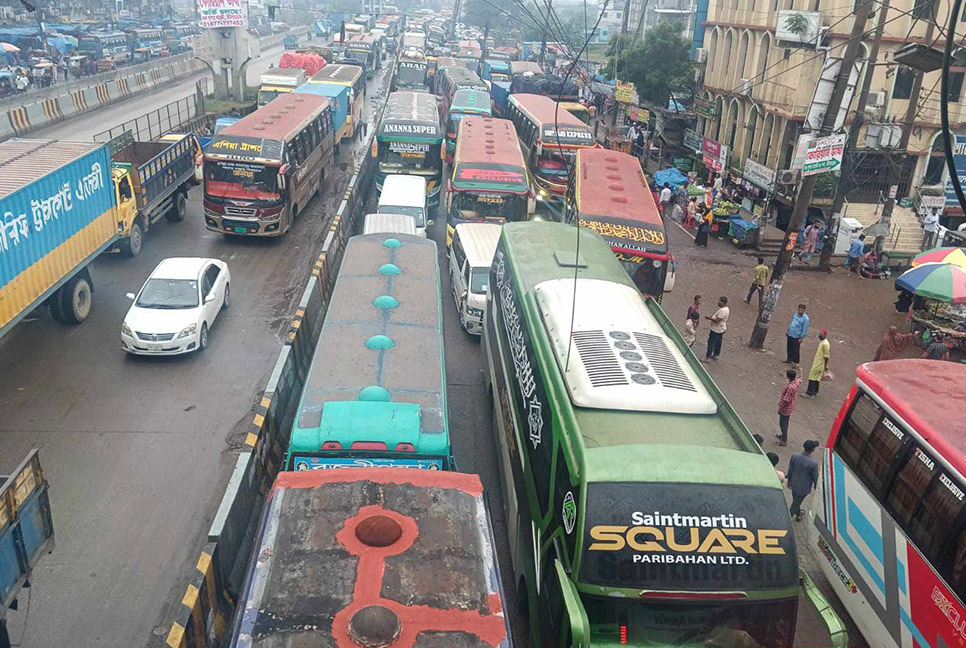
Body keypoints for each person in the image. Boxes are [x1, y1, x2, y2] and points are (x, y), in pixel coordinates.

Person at [786, 440, 820, 521]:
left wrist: (789, 480)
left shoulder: (795, 456)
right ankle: (786, 520)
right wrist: (816, 486)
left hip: (794, 483)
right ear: (812, 450)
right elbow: (814, 476)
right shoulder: (813, 463)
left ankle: (798, 514)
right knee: (795, 505)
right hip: (803, 488)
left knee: (796, 501)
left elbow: (790, 469)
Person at [775, 369, 802, 447]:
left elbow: (786, 400)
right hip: (791, 406)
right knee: (786, 422)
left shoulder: (790, 387)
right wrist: (801, 370)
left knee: (783, 423)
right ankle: (783, 436)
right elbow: (801, 378)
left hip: (786, 408)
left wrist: (780, 409)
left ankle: (783, 440)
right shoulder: (796, 382)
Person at [702, 296, 729, 362]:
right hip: (720, 329)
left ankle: (707, 357)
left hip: (717, 329)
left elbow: (717, 320)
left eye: (719, 301)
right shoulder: (725, 309)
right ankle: (716, 354)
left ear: (722, 302)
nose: (718, 302)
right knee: (718, 342)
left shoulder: (723, 311)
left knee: (711, 342)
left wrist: (709, 318)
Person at [805, 329, 830, 396]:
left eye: (821, 334)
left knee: (812, 376)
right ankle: (815, 391)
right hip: (818, 362)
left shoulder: (825, 344)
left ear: (825, 335)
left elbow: (827, 356)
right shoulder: (823, 342)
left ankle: (810, 392)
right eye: (820, 334)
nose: (819, 335)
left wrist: (825, 365)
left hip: (819, 364)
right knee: (817, 378)